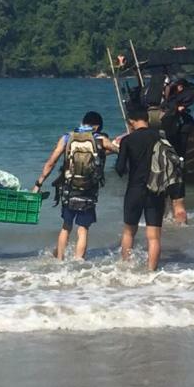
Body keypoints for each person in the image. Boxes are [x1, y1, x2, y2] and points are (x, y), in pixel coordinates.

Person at [32, 111, 121, 260]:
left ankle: (59, 260)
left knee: (66, 226)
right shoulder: (100, 139)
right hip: (88, 190)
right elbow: (119, 151)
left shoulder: (67, 137)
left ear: (82, 121)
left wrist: (38, 184)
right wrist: (116, 145)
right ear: (97, 126)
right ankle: (78, 262)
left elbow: (51, 162)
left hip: (69, 188)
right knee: (83, 229)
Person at [115, 100, 168, 270]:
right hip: (156, 190)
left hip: (135, 190)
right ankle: (151, 272)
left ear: (131, 121)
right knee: (153, 237)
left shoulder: (128, 140)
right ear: (147, 119)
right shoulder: (160, 137)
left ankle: (126, 268)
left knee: (129, 231)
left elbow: (120, 169)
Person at [160, 78, 194, 224]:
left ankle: (164, 229)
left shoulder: (164, 120)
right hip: (178, 164)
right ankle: (182, 230)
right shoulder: (187, 122)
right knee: (179, 205)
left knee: (161, 203)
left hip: (161, 164)